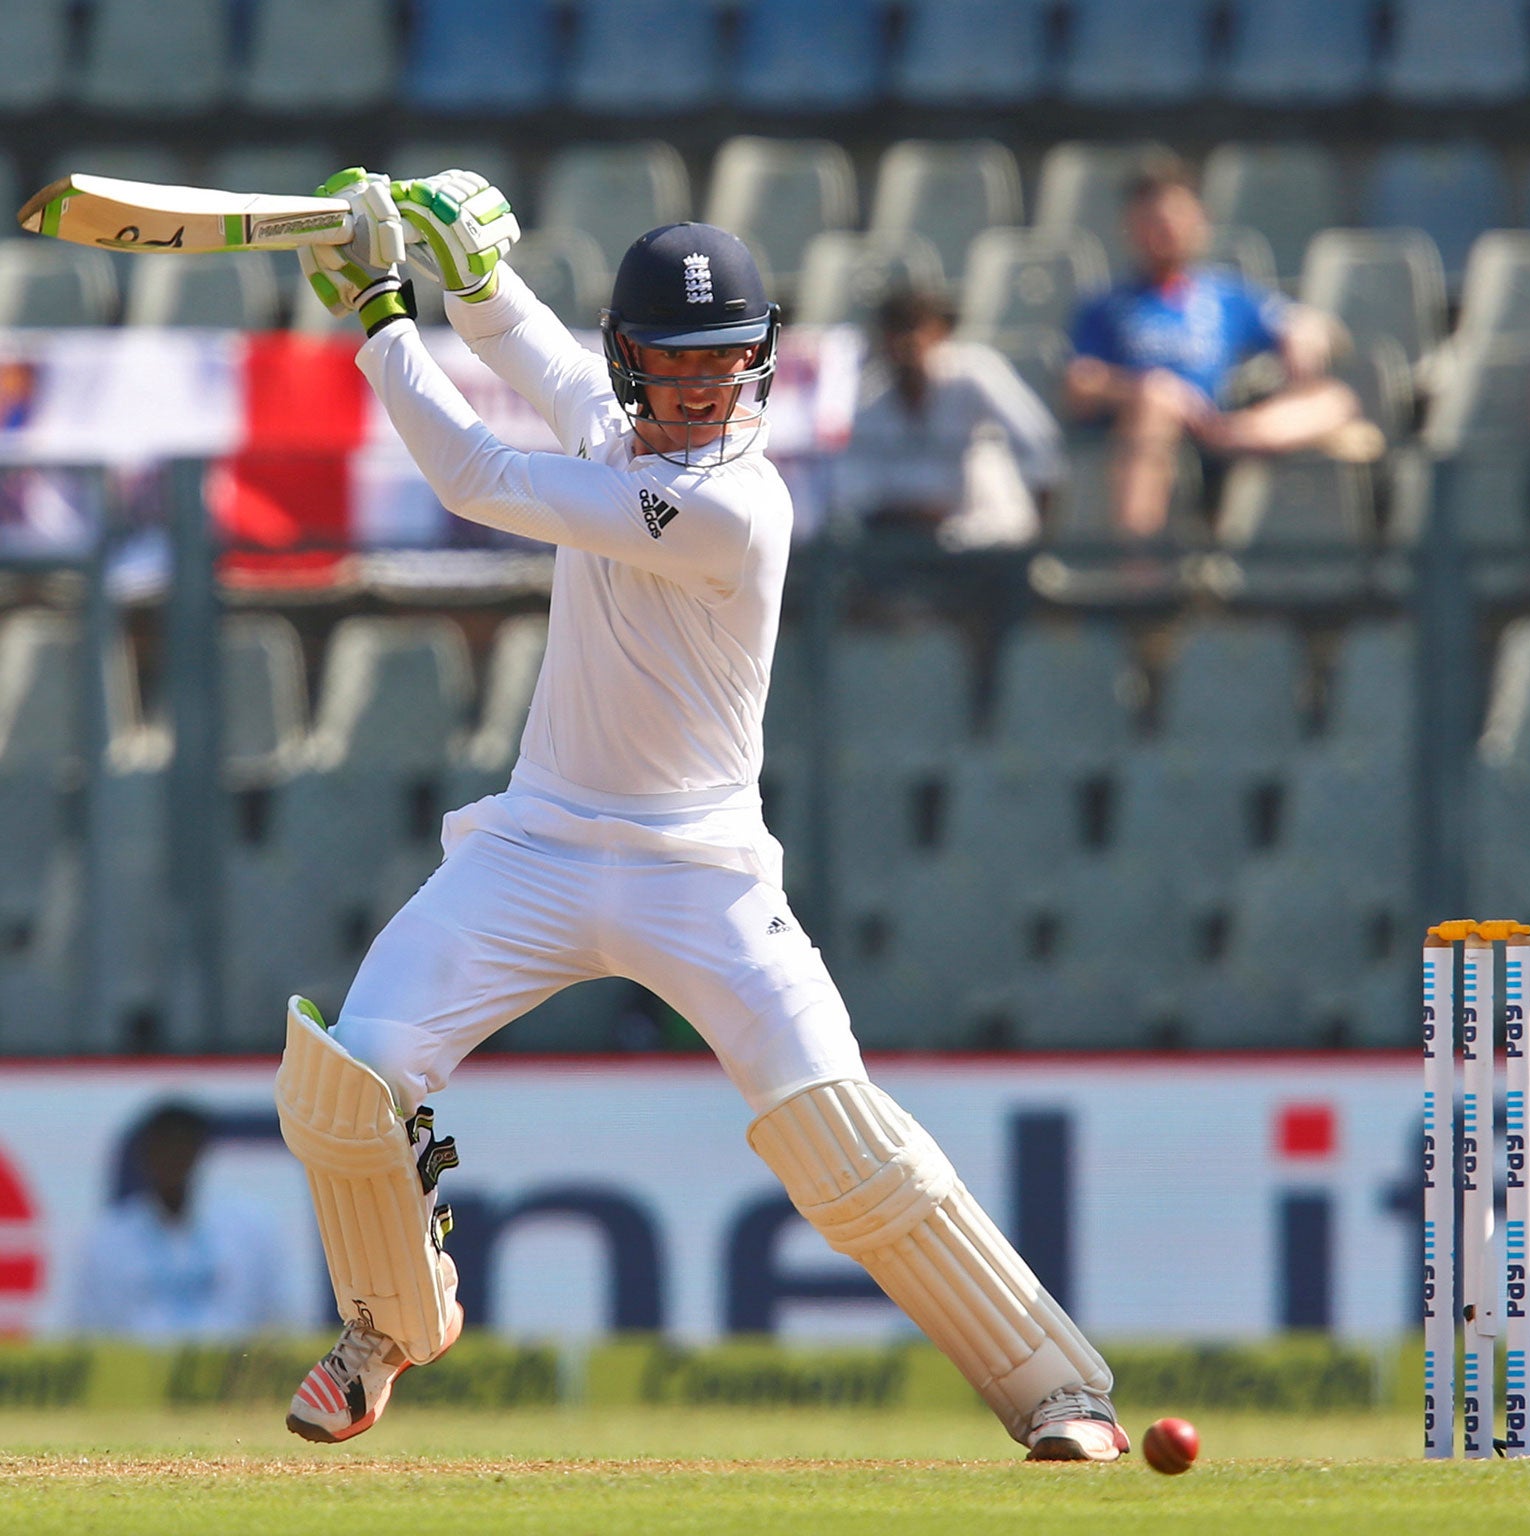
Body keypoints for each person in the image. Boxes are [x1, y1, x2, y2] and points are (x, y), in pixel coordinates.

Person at [272, 168, 1127, 1461]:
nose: (700, 390)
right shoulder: (617, 434)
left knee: (839, 1134)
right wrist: (475, 272)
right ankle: (387, 1330)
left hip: (704, 872)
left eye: (724, 363)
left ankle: (1058, 1393)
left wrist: (386, 311)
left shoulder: (737, 504)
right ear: (634, 364)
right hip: (536, 848)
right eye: (672, 367)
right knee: (346, 1084)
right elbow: (535, 357)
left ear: (760, 362)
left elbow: (479, 477)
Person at [1065, 156, 1375, 540]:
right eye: (1152, 220)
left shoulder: (1224, 295)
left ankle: (1241, 438)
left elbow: (1303, 324)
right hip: (1151, 431)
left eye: (1174, 218)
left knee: (1333, 401)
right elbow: (1080, 385)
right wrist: (1151, 389)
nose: (1165, 230)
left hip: (1221, 426)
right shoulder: (1108, 304)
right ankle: (1137, 566)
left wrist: (1304, 332)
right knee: (1153, 407)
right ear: (1131, 226)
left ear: (1198, 220)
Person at [837, 287, 1063, 549]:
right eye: (896, 329)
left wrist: (1040, 544)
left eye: (916, 327)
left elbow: (1041, 446)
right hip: (910, 551)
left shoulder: (975, 375)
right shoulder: (870, 398)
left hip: (991, 542)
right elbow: (852, 488)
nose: (907, 341)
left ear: (941, 332)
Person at [71, 1103, 291, 1340]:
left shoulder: (249, 1227)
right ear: (146, 1154)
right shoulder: (108, 1240)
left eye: (182, 1143)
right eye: (163, 1145)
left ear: (199, 1150)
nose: (172, 1155)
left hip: (231, 1371)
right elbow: (88, 1330)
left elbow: (281, 1315)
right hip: (140, 1373)